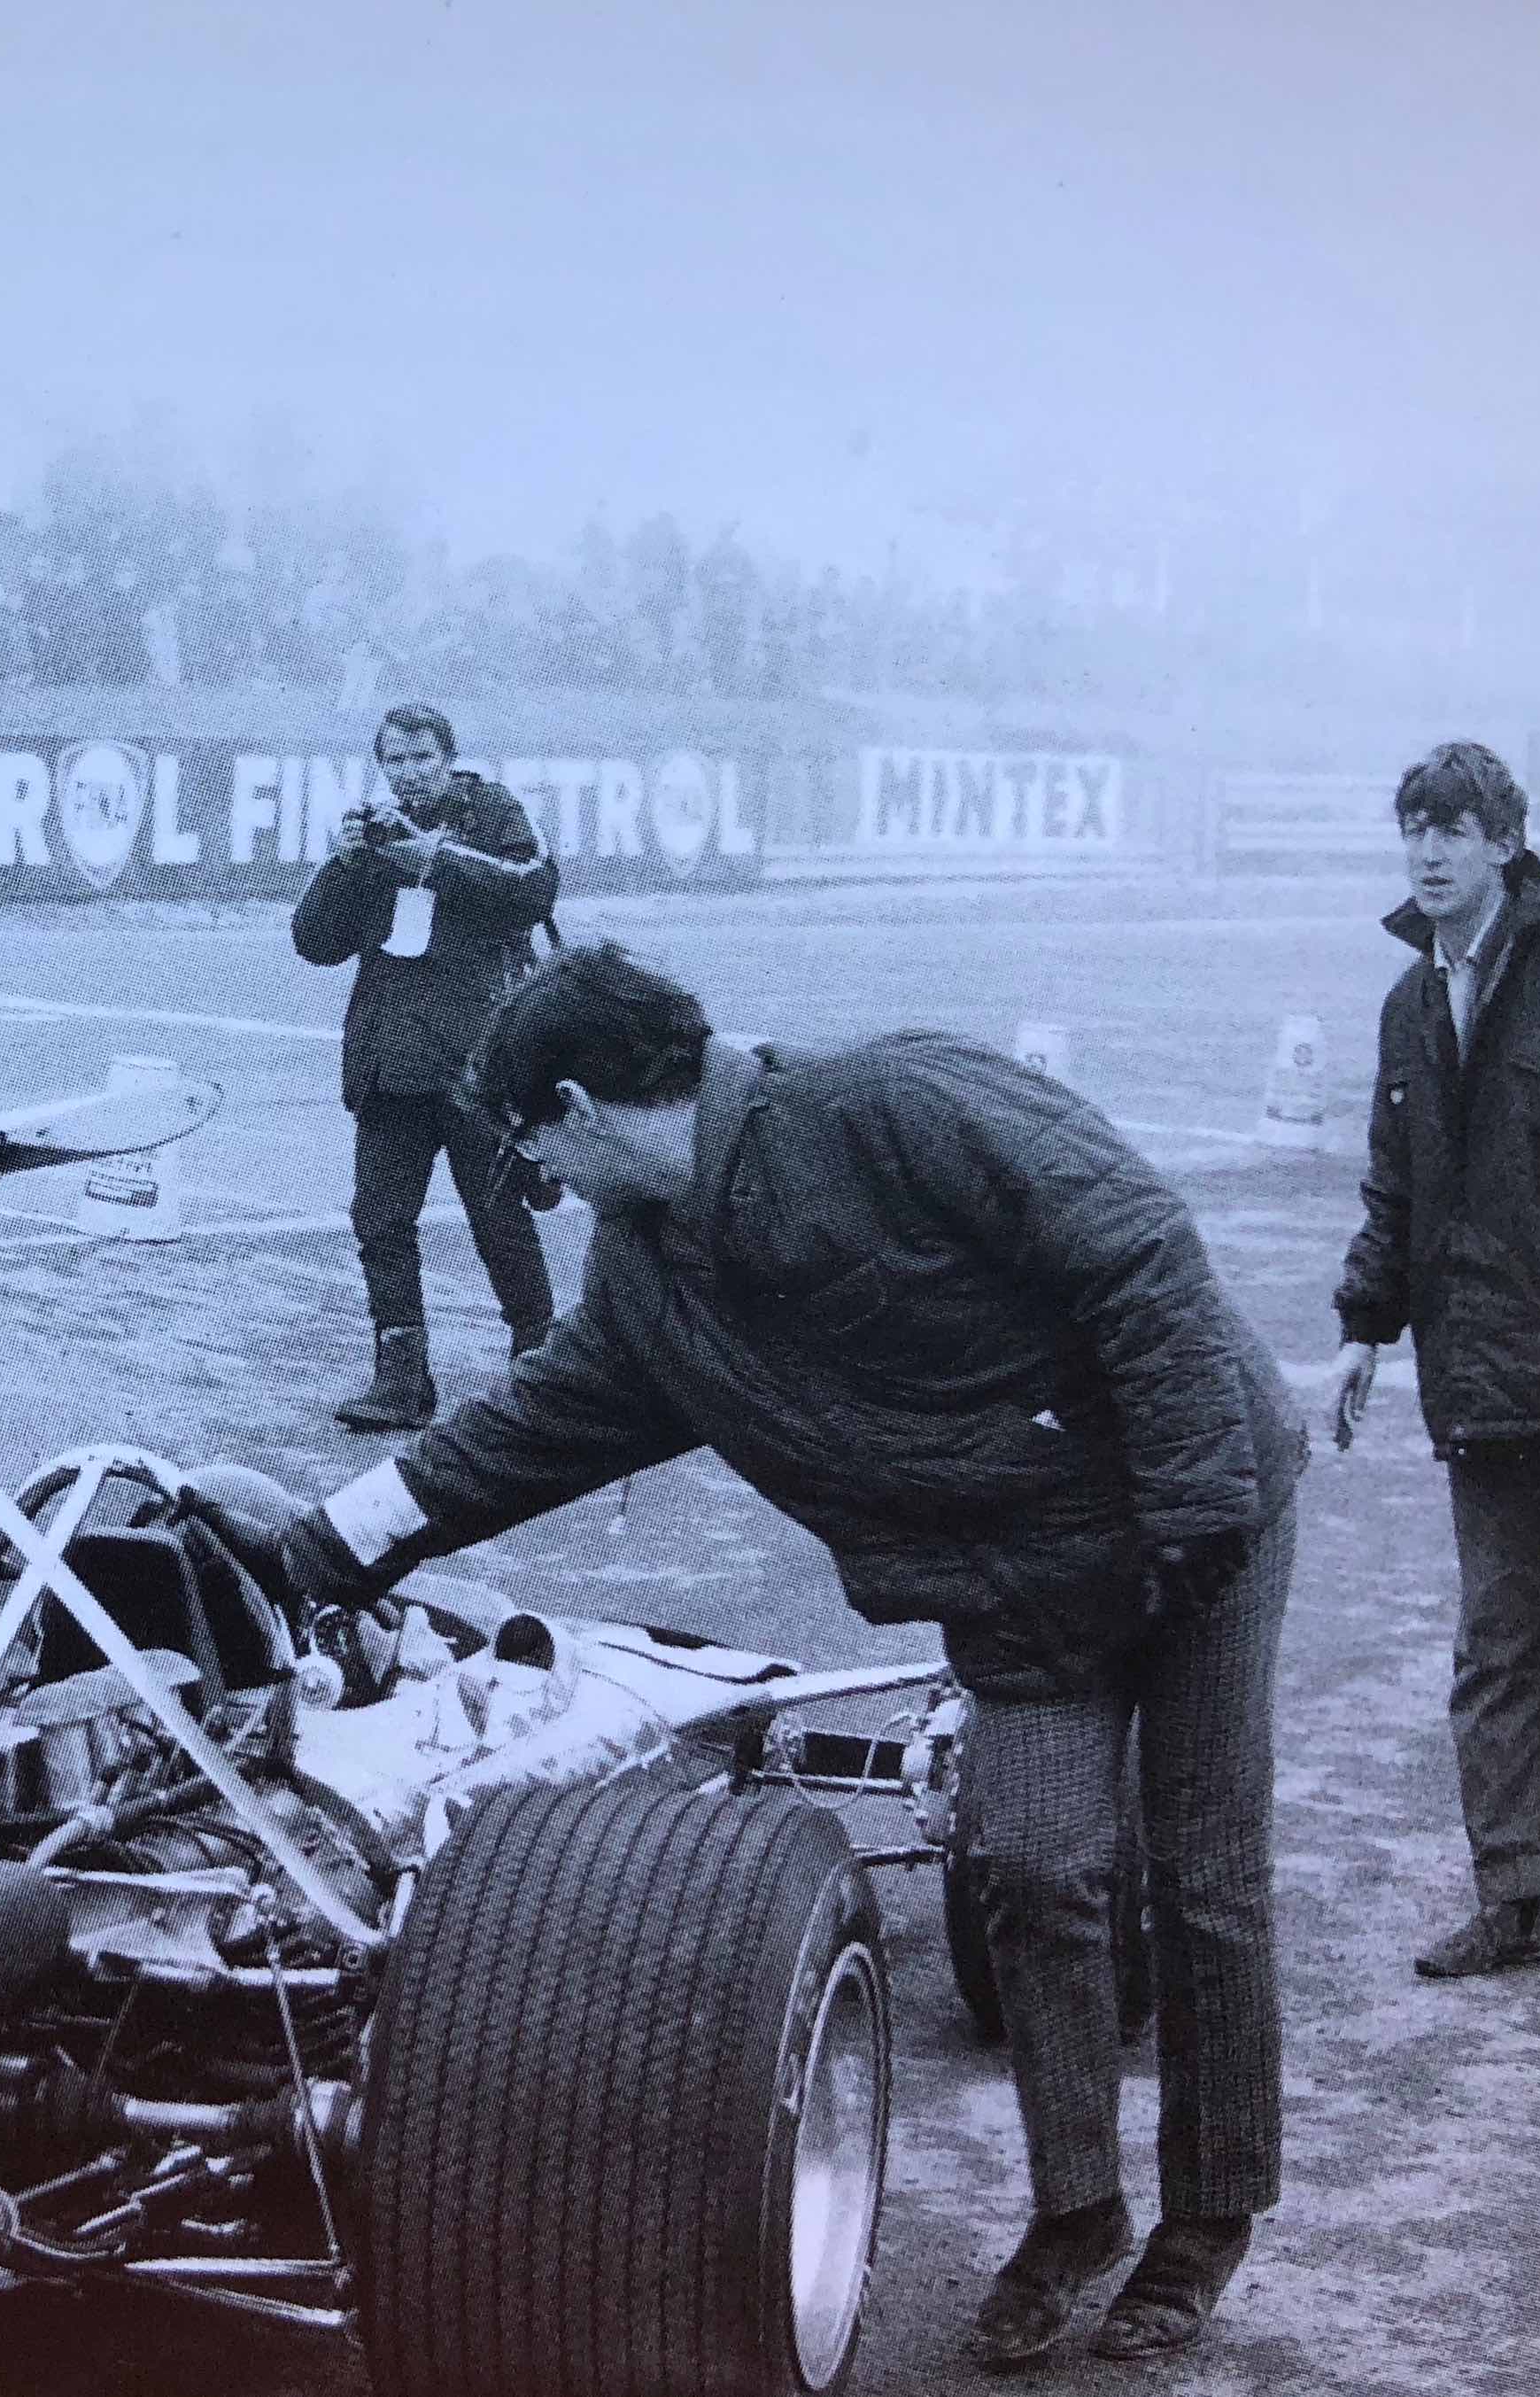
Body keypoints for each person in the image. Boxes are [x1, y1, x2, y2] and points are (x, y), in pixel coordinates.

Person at [276, 944, 1300, 2364]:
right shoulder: (648, 1279)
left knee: (1200, 1874)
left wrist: (1192, 1494)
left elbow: (1131, 1242)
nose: (543, 1183)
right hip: (1021, 1573)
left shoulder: (892, 1101)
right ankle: (1079, 2209)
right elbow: (529, 1429)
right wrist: (324, 1544)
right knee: (1036, 1869)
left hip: (1200, 1503)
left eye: (534, 1149)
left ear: (576, 1101)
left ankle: (1205, 2215)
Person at [1331, 741, 1540, 1976]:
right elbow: (1392, 1185)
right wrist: (1365, 1326)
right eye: (1412, 827)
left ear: (1499, 842)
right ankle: (1512, 1895)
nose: (1426, 851)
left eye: (1451, 829)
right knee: (1492, 1642)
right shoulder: (1407, 1005)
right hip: (1472, 1370)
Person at [292, 701, 561, 1429]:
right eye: (395, 760)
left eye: (422, 758)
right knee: (379, 1220)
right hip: (390, 1060)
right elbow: (315, 942)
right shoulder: (376, 833)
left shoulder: (493, 812)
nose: (409, 774)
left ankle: (538, 1371)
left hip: (478, 1060)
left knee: (498, 1218)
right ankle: (401, 1378)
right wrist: (346, 866)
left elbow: (536, 888)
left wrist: (436, 860)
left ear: (449, 757)